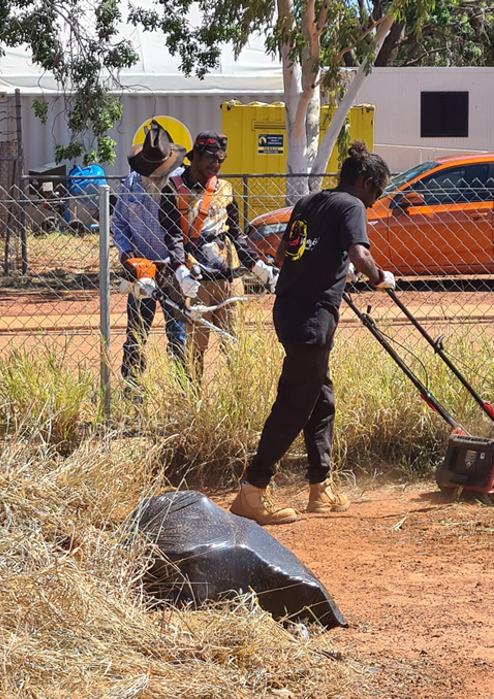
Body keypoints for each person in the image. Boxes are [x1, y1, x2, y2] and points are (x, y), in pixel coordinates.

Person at [230, 141, 396, 526]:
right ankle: (252, 492)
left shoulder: (309, 202)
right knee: (294, 402)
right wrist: (378, 278)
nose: (374, 203)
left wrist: (327, 267)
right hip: (313, 318)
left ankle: (320, 488)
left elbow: (284, 253)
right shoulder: (352, 206)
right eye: (378, 193)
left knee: (320, 397)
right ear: (366, 182)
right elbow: (359, 254)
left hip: (288, 309)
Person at [159, 130, 278, 376]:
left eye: (221, 160)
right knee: (194, 350)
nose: (216, 164)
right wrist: (180, 269)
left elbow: (236, 233)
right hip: (195, 279)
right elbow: (171, 234)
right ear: (196, 156)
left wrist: (257, 266)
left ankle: (239, 400)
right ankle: (193, 405)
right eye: (211, 158)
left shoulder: (225, 189)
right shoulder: (173, 190)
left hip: (229, 277)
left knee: (235, 345)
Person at [112, 120, 193, 396]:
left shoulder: (183, 184)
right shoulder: (132, 182)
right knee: (136, 333)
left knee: (178, 335)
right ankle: (132, 389)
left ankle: (182, 392)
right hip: (141, 270)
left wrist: (184, 262)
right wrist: (126, 253)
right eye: (151, 171)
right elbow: (119, 223)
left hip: (173, 270)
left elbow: (192, 229)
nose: (156, 175)